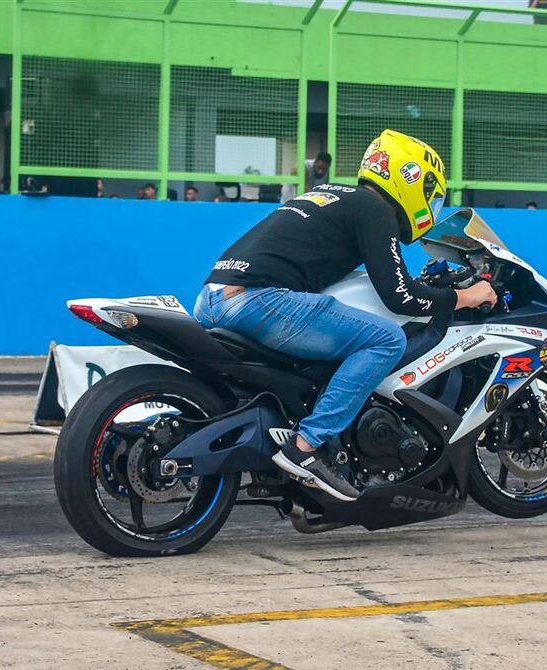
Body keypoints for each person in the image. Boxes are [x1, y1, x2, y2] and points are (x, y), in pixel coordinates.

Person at [194, 130, 496, 501]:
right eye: (432, 193)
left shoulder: (335, 195)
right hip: (257, 300)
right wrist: (465, 295)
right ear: (410, 179)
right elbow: (399, 296)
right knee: (386, 339)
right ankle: (306, 447)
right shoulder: (375, 210)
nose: (432, 204)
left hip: (213, 296)